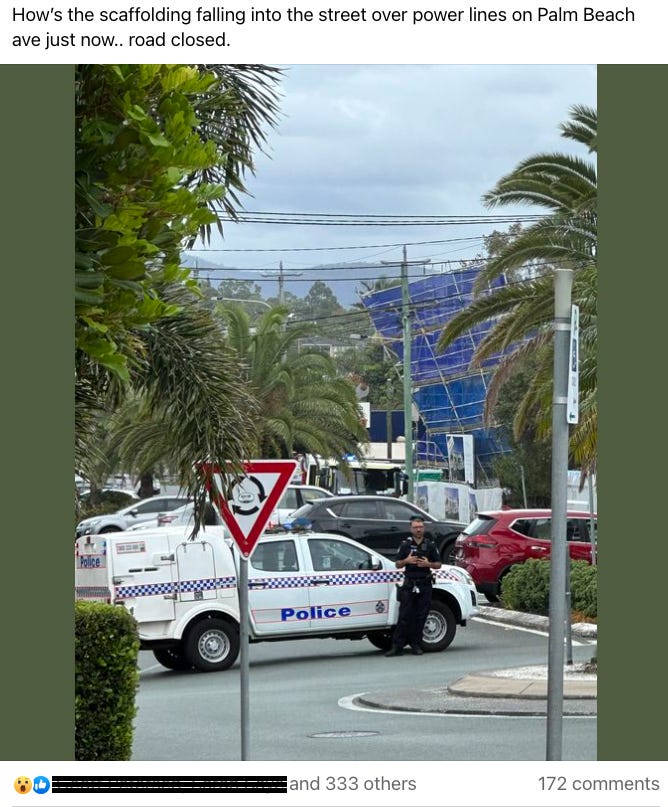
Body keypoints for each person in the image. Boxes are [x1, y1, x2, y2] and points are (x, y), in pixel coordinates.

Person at [385, 514, 442, 656]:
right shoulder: (405, 545)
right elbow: (397, 564)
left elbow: (439, 564)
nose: (418, 530)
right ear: (411, 528)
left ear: (424, 528)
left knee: (421, 615)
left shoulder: (430, 544)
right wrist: (407, 560)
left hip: (425, 584)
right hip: (409, 584)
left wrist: (428, 564)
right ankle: (397, 646)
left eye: (421, 527)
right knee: (404, 615)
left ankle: (416, 644)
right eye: (416, 527)